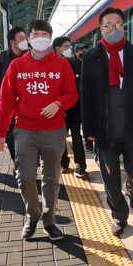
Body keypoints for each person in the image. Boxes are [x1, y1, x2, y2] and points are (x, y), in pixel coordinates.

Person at [80, 7, 133, 237]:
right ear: (101, 29)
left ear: (123, 26)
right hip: (104, 128)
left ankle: (132, 191)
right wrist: (88, 129)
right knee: (110, 176)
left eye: (118, 24)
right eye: (109, 25)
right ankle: (119, 216)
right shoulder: (91, 57)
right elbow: (86, 95)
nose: (113, 28)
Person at [0, 19, 78, 241]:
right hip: (25, 129)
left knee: (51, 178)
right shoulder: (17, 66)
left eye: (45, 33)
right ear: (29, 39)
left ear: (50, 39)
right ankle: (33, 215)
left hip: (54, 130)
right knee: (24, 176)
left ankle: (49, 221)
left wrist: (58, 103)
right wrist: (1, 132)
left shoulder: (62, 65)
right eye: (35, 34)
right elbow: (6, 100)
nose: (40, 37)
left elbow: (72, 94)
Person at [0, 27, 28, 161]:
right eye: (21, 38)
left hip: (27, 109)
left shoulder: (31, 56)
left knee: (29, 143)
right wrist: (3, 99)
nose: (25, 40)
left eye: (25, 37)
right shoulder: (1, 58)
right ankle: (19, 166)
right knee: (12, 143)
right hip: (10, 111)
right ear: (12, 42)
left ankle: (27, 168)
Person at [52, 37, 87, 177]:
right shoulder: (52, 65)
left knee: (76, 136)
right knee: (60, 137)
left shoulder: (74, 64)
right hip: (57, 109)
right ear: (58, 49)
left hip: (74, 107)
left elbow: (80, 86)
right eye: (66, 46)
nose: (70, 49)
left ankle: (80, 165)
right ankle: (63, 163)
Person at [75, 44, 94, 153]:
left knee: (89, 121)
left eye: (85, 49)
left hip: (89, 99)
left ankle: (89, 143)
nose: (84, 51)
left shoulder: (91, 63)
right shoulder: (73, 64)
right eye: (81, 50)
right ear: (76, 53)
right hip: (76, 102)